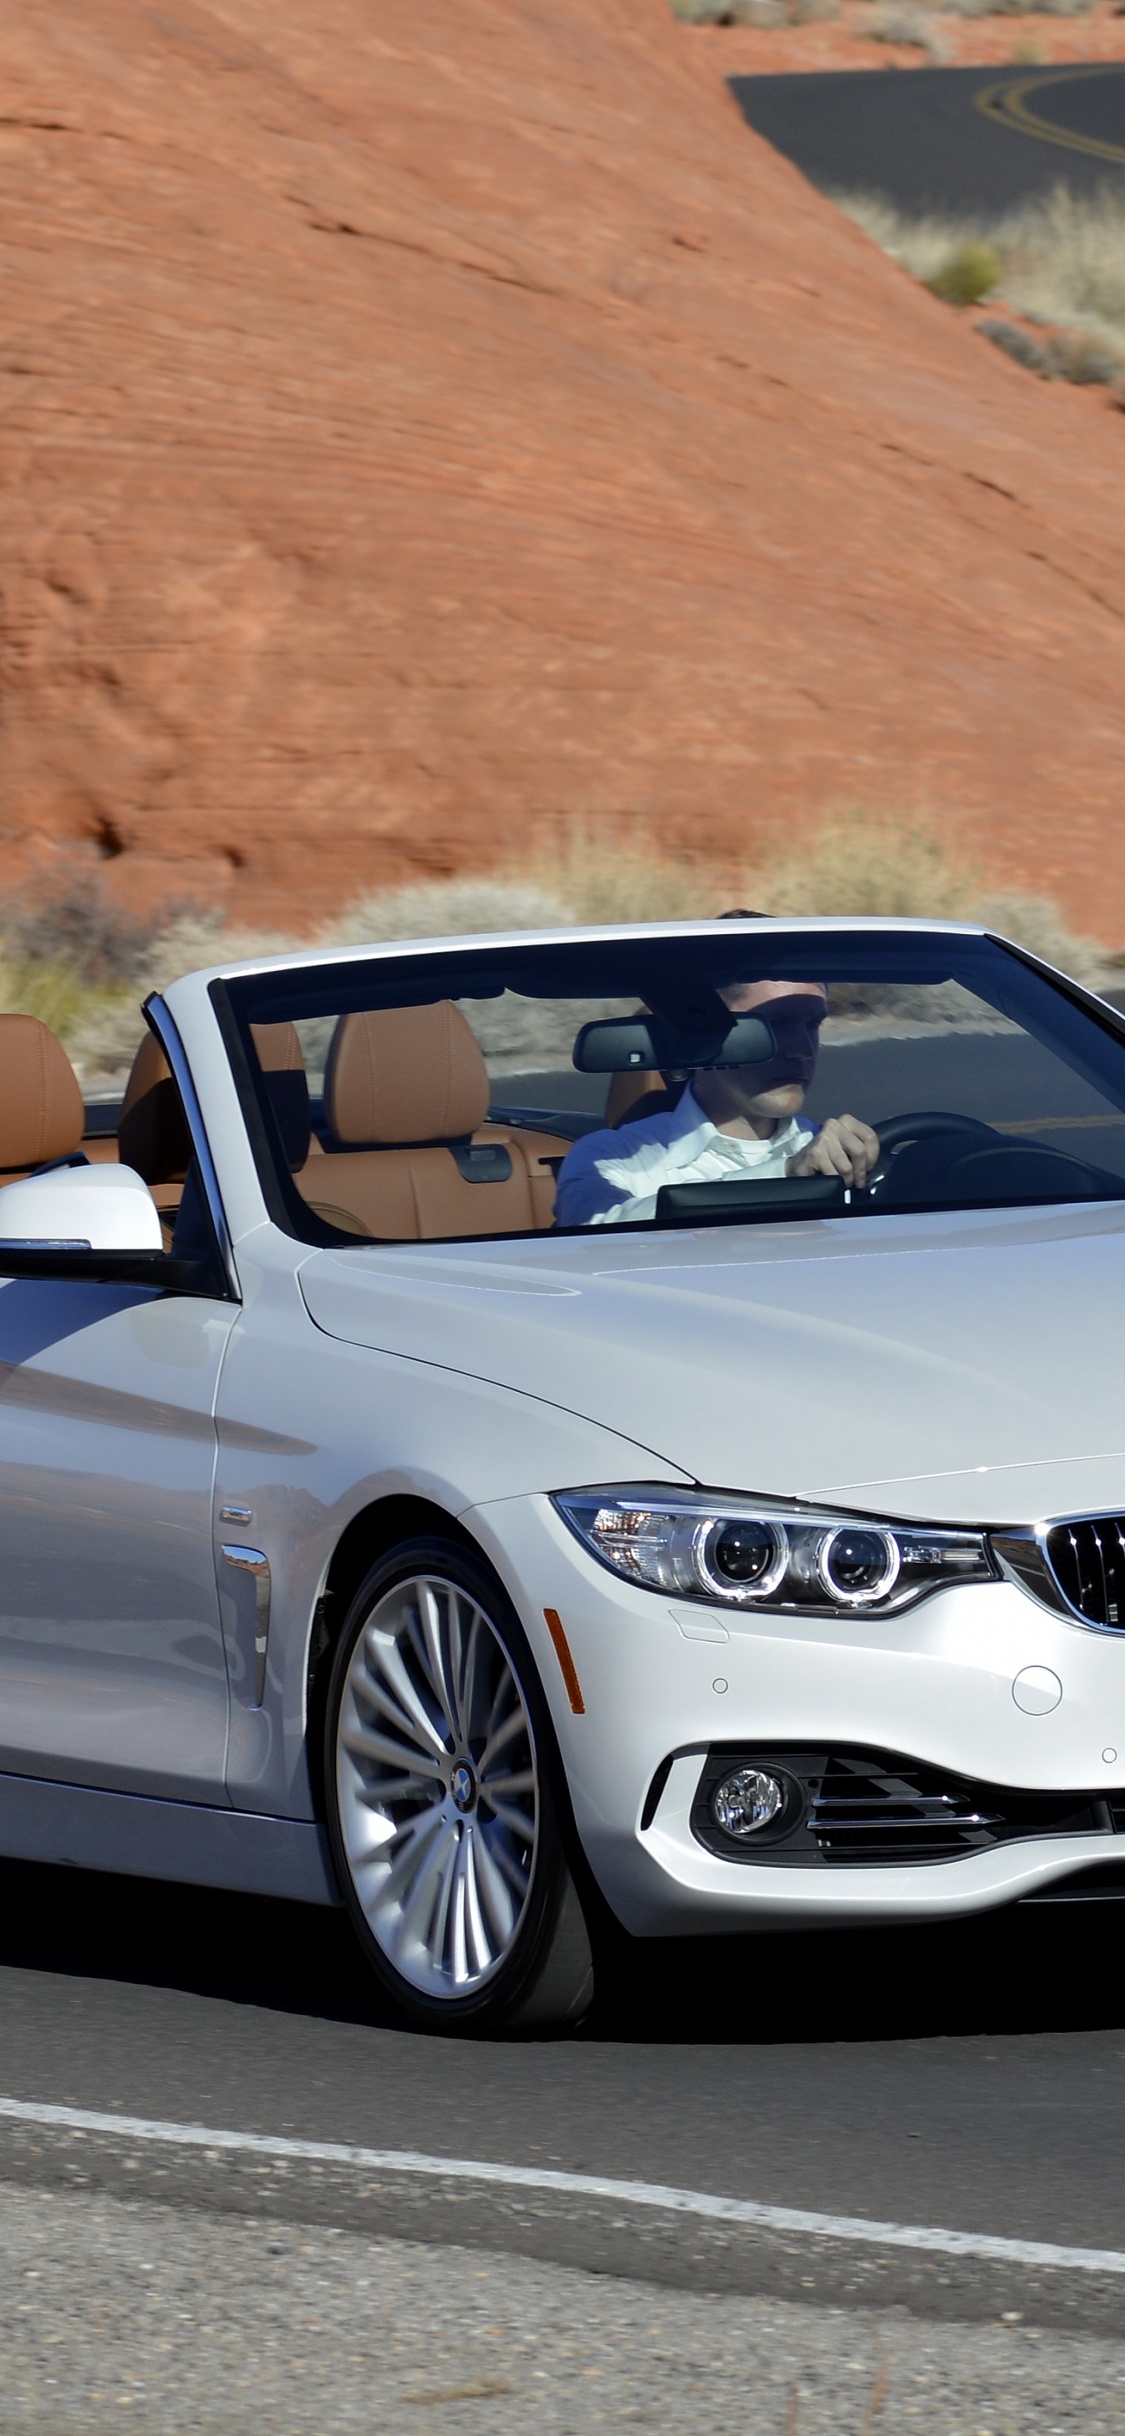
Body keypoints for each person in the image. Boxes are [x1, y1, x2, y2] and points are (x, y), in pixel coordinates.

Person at [554, 975, 880, 1227]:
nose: (803, 1049)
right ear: (702, 1031)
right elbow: (593, 1229)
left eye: (813, 1024)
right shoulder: (609, 1156)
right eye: (775, 1024)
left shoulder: (842, 1154)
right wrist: (785, 1176)